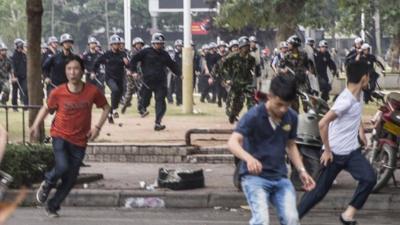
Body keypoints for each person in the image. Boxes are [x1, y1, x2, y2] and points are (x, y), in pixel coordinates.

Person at [297, 60, 377, 225]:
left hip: (351, 152)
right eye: (369, 75)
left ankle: (347, 215)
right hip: (333, 154)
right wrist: (327, 150)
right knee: (318, 193)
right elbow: (322, 124)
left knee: (369, 178)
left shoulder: (359, 94)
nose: (369, 78)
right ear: (364, 77)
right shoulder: (345, 101)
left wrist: (361, 132)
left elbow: (355, 114)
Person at [228, 75, 315, 225]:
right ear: (270, 96)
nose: (283, 109)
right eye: (279, 104)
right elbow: (232, 142)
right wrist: (248, 158)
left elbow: (291, 145)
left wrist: (302, 170)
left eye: (287, 105)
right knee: (261, 220)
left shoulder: (291, 117)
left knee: (292, 219)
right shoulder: (254, 115)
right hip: (254, 178)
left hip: (279, 176)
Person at [31, 55, 110, 218]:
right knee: (62, 166)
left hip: (80, 140)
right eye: (69, 69)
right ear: (65, 71)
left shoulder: (92, 91)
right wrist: (35, 125)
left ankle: (52, 206)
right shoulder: (58, 92)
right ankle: (48, 183)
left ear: (82, 71)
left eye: (76, 69)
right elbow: (46, 108)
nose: (72, 72)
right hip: (60, 135)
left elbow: (106, 107)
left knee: (70, 178)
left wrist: (97, 127)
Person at [128, 32, 180, 131]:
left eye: (161, 43)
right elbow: (134, 60)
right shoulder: (145, 52)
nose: (159, 45)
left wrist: (179, 74)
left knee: (160, 101)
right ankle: (141, 107)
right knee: (145, 100)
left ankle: (158, 122)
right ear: (153, 43)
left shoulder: (165, 54)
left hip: (161, 82)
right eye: (157, 43)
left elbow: (171, 64)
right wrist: (133, 71)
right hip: (147, 82)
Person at [218, 36, 256, 124]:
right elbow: (222, 67)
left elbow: (253, 70)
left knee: (251, 100)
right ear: (240, 48)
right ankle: (233, 115)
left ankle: (252, 118)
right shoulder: (232, 56)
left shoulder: (251, 59)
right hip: (235, 83)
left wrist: (254, 81)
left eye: (247, 46)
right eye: (244, 47)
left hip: (247, 83)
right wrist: (227, 79)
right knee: (237, 102)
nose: (246, 48)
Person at [93, 34, 129, 124]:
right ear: (111, 45)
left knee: (118, 95)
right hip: (110, 78)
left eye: (118, 44)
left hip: (120, 78)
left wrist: (129, 68)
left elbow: (128, 65)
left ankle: (110, 113)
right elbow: (97, 63)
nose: (117, 45)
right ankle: (115, 110)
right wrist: (93, 72)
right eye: (115, 44)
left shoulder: (123, 54)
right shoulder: (106, 54)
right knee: (115, 90)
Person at [278, 35, 311, 112]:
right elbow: (279, 68)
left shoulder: (304, 54)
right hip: (292, 83)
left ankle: (307, 121)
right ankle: (296, 122)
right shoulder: (286, 56)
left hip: (303, 82)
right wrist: (283, 71)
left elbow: (307, 65)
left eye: (289, 43)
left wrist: (307, 71)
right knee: (294, 107)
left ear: (294, 44)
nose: (287, 45)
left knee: (307, 105)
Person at [121, 37, 145, 114]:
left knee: (140, 91)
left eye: (140, 44)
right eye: (137, 44)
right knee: (130, 92)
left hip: (140, 75)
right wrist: (130, 71)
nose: (139, 45)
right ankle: (125, 104)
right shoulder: (131, 53)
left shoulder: (143, 53)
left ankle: (141, 109)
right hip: (131, 75)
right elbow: (127, 64)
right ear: (134, 45)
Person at [11, 39, 28, 109]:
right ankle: (15, 107)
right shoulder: (13, 56)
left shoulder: (24, 55)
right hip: (16, 77)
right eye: (20, 46)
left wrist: (26, 53)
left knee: (25, 90)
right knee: (15, 92)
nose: (21, 47)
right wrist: (13, 76)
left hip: (24, 77)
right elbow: (12, 67)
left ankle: (26, 106)